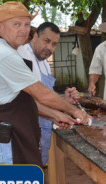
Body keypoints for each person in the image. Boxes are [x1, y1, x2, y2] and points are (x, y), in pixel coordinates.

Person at [0, 1, 90, 166]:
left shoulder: (4, 49)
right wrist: (76, 112)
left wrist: (55, 115)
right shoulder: (4, 54)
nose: (23, 30)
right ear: (0, 27)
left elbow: (20, 102)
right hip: (4, 140)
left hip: (13, 132)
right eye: (16, 24)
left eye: (27, 24)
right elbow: (42, 95)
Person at [17, 22, 80, 166]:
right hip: (27, 128)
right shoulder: (24, 56)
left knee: (39, 168)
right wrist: (71, 111)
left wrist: (65, 100)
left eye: (54, 44)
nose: (50, 48)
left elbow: (48, 96)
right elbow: (33, 100)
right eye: (46, 41)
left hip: (44, 124)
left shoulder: (44, 63)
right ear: (35, 37)